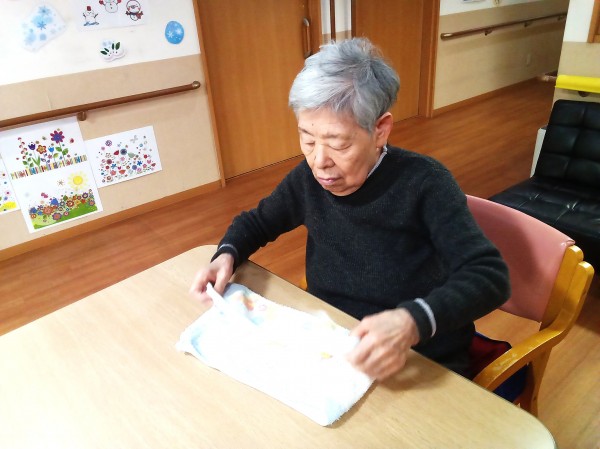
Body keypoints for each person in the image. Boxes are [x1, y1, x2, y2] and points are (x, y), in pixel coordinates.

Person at [190, 38, 510, 381]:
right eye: (307, 139)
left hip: (413, 354)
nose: (319, 161)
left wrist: (411, 322)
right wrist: (226, 254)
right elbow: (257, 222)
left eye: (339, 143)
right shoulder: (308, 179)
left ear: (380, 131)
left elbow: (489, 276)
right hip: (332, 340)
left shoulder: (425, 183)